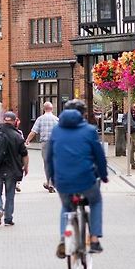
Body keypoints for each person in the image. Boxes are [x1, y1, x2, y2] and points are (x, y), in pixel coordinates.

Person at [46, 99, 108, 257]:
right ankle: (94, 239)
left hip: (62, 181)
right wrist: (104, 175)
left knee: (66, 207)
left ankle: (62, 239)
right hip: (86, 179)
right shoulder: (89, 130)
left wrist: (51, 178)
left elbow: (49, 157)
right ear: (83, 114)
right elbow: (99, 156)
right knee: (95, 201)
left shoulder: (56, 131)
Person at [0, 111, 29, 226]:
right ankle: (8, 219)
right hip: (12, 170)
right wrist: (26, 167)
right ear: (14, 122)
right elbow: (24, 154)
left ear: (4, 120)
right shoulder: (17, 136)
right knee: (10, 194)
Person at [25, 102, 59, 193]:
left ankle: (49, 183)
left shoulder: (40, 119)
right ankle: (52, 182)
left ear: (44, 109)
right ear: (52, 109)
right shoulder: (56, 119)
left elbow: (34, 132)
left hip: (45, 143)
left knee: (47, 164)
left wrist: (27, 140)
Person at [123, 102, 135, 170]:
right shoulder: (134, 110)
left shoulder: (132, 110)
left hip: (133, 130)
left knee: (132, 148)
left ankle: (132, 164)